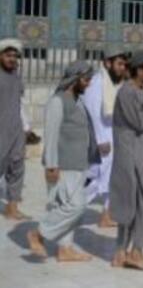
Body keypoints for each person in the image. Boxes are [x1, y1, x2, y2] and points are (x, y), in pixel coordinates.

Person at [26, 61, 98, 262]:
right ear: (75, 79)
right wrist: (51, 165)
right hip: (63, 165)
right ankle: (38, 234)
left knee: (66, 206)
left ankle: (65, 249)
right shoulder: (57, 101)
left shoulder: (77, 101)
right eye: (86, 79)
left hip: (78, 163)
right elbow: (51, 134)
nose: (88, 84)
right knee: (76, 206)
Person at [109, 49, 143, 271]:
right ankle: (136, 252)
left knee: (132, 205)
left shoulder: (135, 91)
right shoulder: (128, 92)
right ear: (139, 70)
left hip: (138, 156)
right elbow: (140, 123)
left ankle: (120, 253)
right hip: (132, 159)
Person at [84, 45, 128, 228]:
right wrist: (100, 141)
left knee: (113, 179)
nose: (122, 68)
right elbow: (93, 114)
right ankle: (66, 210)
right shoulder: (97, 84)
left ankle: (106, 216)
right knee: (95, 180)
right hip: (101, 142)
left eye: (124, 65)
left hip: (113, 139)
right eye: (119, 64)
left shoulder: (113, 83)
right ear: (107, 63)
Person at [0, 38, 29, 220]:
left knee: (17, 167)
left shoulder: (17, 77)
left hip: (16, 129)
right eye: (8, 55)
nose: (12, 59)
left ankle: (12, 209)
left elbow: (20, 103)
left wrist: (26, 126)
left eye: (15, 56)